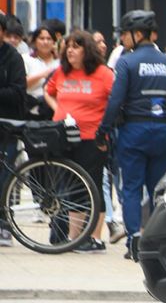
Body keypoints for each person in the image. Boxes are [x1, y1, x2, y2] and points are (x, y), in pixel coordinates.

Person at [98, 10, 166, 257]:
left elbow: (115, 101)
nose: (122, 39)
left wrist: (103, 130)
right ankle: (156, 241)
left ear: (137, 34)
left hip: (133, 132)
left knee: (132, 188)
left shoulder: (127, 62)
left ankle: (134, 241)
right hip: (162, 133)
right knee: (158, 190)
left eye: (124, 34)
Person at [43, 30, 116, 253]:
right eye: (68, 47)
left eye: (76, 46)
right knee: (67, 186)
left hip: (91, 137)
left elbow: (115, 101)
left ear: (88, 51)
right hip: (63, 136)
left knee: (89, 186)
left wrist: (105, 126)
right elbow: (49, 91)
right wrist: (60, 110)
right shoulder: (61, 72)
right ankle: (74, 237)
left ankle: (87, 237)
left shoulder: (103, 74)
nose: (70, 51)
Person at [0, 14, 28, 247]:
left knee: (4, 177)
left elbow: (19, 92)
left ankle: (4, 225)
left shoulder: (13, 58)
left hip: (7, 126)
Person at [23, 26, 60, 120]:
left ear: (54, 42)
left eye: (49, 39)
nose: (45, 42)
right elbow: (21, 84)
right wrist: (43, 75)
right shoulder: (25, 59)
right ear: (35, 41)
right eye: (41, 38)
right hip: (31, 109)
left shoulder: (61, 62)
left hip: (55, 108)